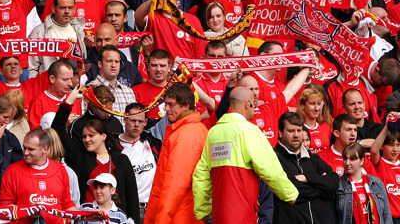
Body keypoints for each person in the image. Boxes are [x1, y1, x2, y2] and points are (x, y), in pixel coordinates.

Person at [192, 87, 299, 224]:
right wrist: (289, 194)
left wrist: (202, 210)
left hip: (219, 214)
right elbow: (270, 168)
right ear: (248, 104)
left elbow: (201, 174)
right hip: (243, 213)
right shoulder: (250, 131)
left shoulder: (213, 132)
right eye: (254, 104)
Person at [52, 88, 140, 223]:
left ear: (104, 135)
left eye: (91, 135)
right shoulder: (79, 157)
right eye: (84, 136)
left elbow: (132, 198)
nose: (86, 139)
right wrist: (69, 101)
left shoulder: (121, 160)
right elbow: (57, 128)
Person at [143, 83, 208, 224]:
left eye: (171, 105)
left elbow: (175, 184)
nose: (166, 109)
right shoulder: (196, 129)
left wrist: (161, 220)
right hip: (185, 212)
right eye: (166, 104)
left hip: (179, 215)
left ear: (186, 105)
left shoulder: (185, 134)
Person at [0, 128, 80, 224]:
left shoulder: (60, 170)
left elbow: (67, 205)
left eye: (31, 149)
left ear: (44, 149)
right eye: (24, 148)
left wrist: (89, 216)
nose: (25, 152)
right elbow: (4, 207)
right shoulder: (13, 171)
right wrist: (28, 211)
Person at [273, 111, 339, 224]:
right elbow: (290, 189)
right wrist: (322, 189)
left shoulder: (313, 158)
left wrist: (307, 178)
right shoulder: (273, 158)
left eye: (299, 130)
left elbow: (334, 181)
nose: (296, 135)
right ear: (280, 133)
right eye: (291, 131)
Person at [337, 143, 393, 224]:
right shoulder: (338, 185)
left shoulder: (376, 183)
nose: (347, 162)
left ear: (362, 161)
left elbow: (386, 215)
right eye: (345, 158)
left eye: (352, 159)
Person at [296, 85, 333, 153]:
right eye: (312, 103)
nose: (316, 108)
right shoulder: (297, 129)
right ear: (303, 105)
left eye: (319, 104)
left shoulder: (326, 127)